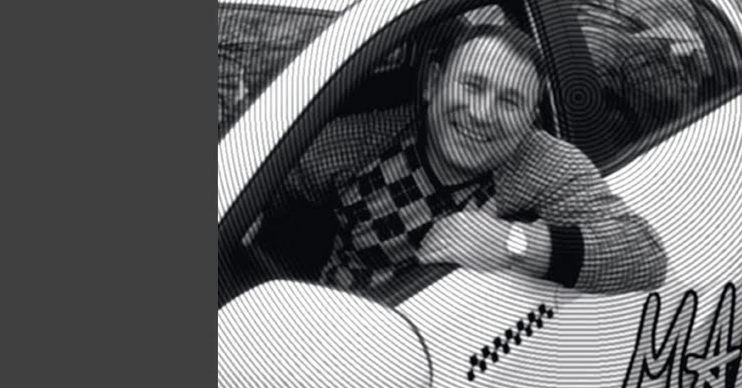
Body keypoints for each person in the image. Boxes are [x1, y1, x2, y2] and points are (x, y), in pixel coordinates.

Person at [257, 18, 669, 295]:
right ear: (433, 84)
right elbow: (261, 188)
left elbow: (643, 255)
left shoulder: (539, 161)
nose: (482, 113)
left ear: (531, 120)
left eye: (510, 101)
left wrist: (512, 242)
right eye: (472, 85)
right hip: (333, 329)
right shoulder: (358, 142)